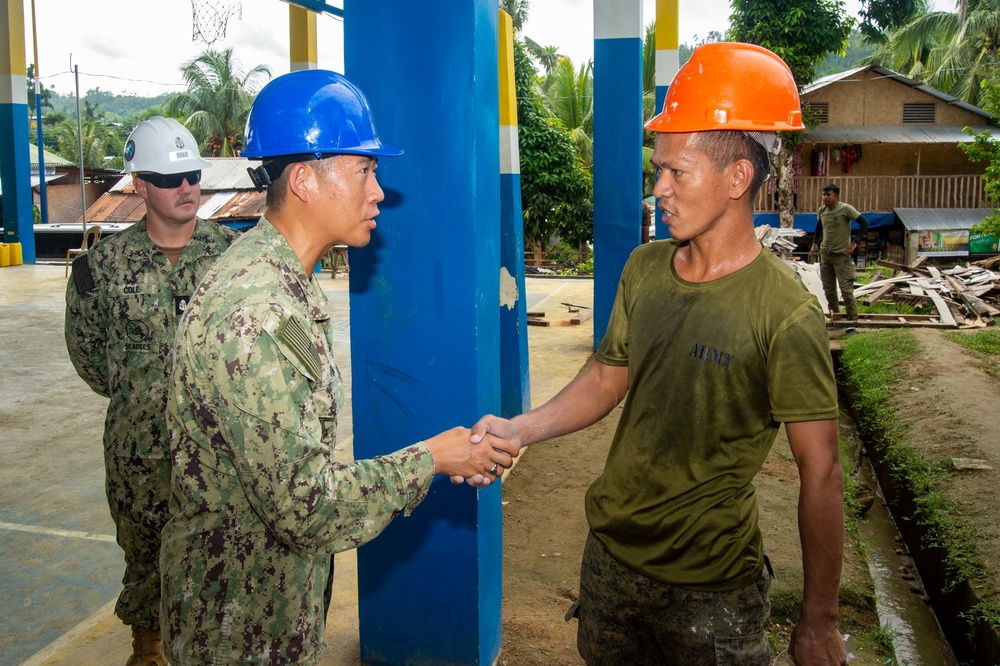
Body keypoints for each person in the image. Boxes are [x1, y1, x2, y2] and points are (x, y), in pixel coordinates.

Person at [471, 43, 847, 665]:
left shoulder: (785, 312)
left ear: (737, 178)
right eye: (658, 170)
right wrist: (520, 428)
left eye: (677, 172)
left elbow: (822, 473)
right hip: (612, 560)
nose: (659, 190)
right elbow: (606, 376)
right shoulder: (645, 269)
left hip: (713, 589)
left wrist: (820, 618)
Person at [160, 69, 516, 666]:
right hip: (235, 630)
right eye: (365, 170)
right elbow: (309, 510)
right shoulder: (259, 314)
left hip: (265, 610)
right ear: (303, 179)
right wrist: (433, 457)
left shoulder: (276, 278)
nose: (379, 191)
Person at [64, 116, 238, 666]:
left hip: (220, 450)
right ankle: (149, 648)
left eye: (192, 175)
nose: (187, 188)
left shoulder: (233, 257)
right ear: (140, 184)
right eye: (170, 178)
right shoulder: (104, 266)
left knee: (222, 554)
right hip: (139, 452)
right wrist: (141, 396)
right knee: (144, 554)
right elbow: (88, 351)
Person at [810, 183, 869, 320]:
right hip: (826, 254)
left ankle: (853, 320)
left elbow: (864, 223)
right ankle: (835, 317)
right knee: (829, 289)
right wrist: (815, 243)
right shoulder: (822, 210)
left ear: (836, 196)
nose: (825, 197)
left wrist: (854, 242)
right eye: (823, 194)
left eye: (828, 195)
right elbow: (819, 227)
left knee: (846, 289)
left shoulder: (845, 209)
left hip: (841, 255)